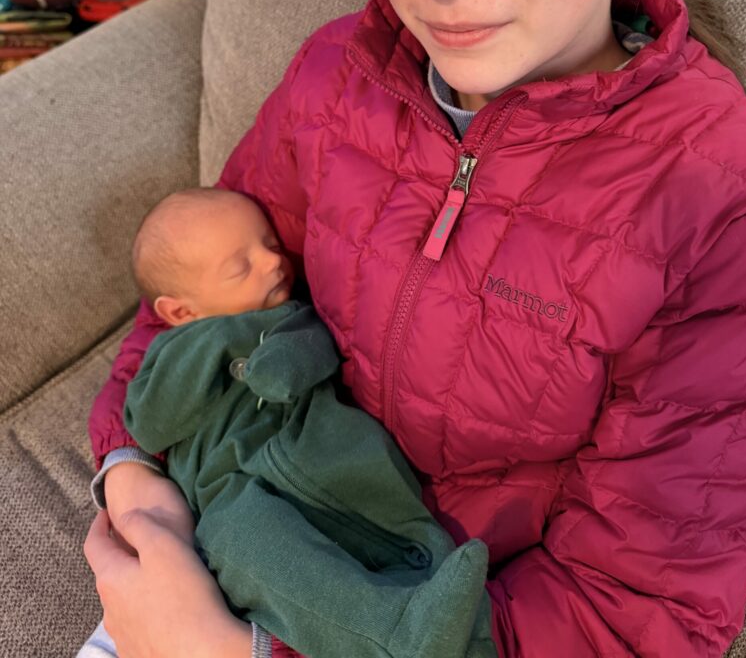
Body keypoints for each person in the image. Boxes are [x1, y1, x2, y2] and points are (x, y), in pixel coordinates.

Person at [83, 0, 746, 655]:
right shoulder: (336, 78)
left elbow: (634, 617)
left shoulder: (724, 202)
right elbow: (191, 286)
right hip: (225, 537)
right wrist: (133, 479)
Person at [79, 188, 494, 658]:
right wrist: (229, 339)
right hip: (233, 500)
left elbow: (304, 361)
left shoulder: (295, 317)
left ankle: (444, 599)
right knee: (241, 542)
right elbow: (151, 422)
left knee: (382, 503)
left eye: (271, 245)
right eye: (241, 267)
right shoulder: (173, 351)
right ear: (180, 312)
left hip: (317, 454)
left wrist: (276, 347)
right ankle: (401, 633)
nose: (273, 262)